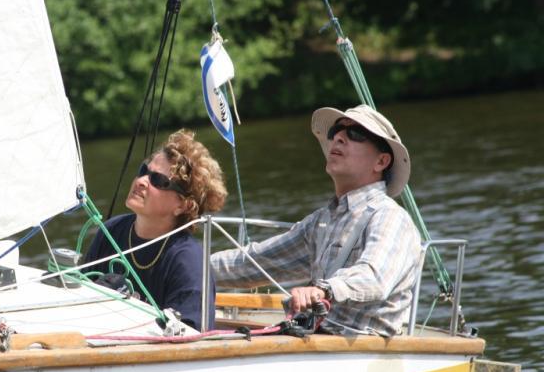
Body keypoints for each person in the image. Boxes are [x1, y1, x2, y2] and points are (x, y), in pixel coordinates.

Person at [211, 105, 422, 336]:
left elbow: (375, 277)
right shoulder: (321, 221)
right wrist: (190, 266)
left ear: (381, 161)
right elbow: (255, 263)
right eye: (335, 131)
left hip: (361, 348)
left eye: (356, 133)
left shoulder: (390, 217)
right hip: (318, 342)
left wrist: (323, 290)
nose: (339, 137)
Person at [83, 129, 227, 330]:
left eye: (157, 180)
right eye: (143, 171)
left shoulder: (188, 262)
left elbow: (188, 338)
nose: (141, 181)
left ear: (183, 205)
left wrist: (125, 308)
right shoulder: (111, 231)